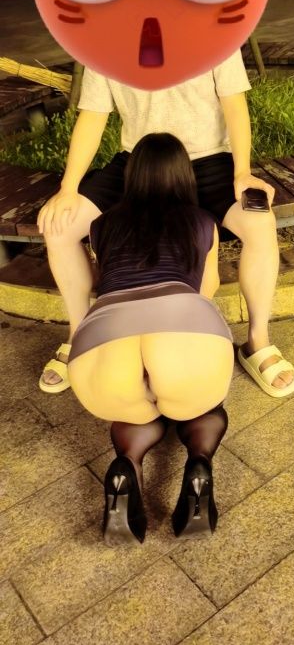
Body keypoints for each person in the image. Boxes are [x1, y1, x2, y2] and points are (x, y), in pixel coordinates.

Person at [37, 50, 294, 401]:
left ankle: (257, 342)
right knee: (59, 227)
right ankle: (81, 335)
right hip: (139, 162)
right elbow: (93, 116)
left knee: (260, 223)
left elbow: (235, 105)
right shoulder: (104, 41)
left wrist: (242, 172)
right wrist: (68, 188)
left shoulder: (217, 35)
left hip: (208, 159)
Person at [68, 133, 233, 543]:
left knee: (132, 414)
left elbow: (105, 280)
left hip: (100, 352)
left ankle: (127, 464)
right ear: (185, 174)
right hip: (181, 332)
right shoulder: (202, 222)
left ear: (132, 175)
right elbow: (206, 291)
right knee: (202, 408)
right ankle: (199, 465)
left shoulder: (101, 225)